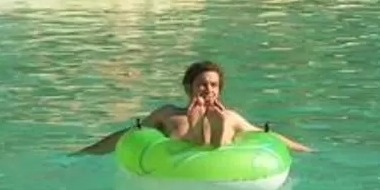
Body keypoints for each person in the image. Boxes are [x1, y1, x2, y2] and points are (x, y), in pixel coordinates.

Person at [74, 60, 311, 154]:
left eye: (214, 85)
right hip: (177, 165)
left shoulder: (230, 116)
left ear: (220, 89)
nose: (209, 90)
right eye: (203, 85)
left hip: (220, 164)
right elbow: (128, 136)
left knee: (227, 122)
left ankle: (210, 136)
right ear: (188, 87)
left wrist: (305, 150)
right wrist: (88, 151)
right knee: (185, 132)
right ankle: (197, 133)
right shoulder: (168, 114)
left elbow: (267, 136)